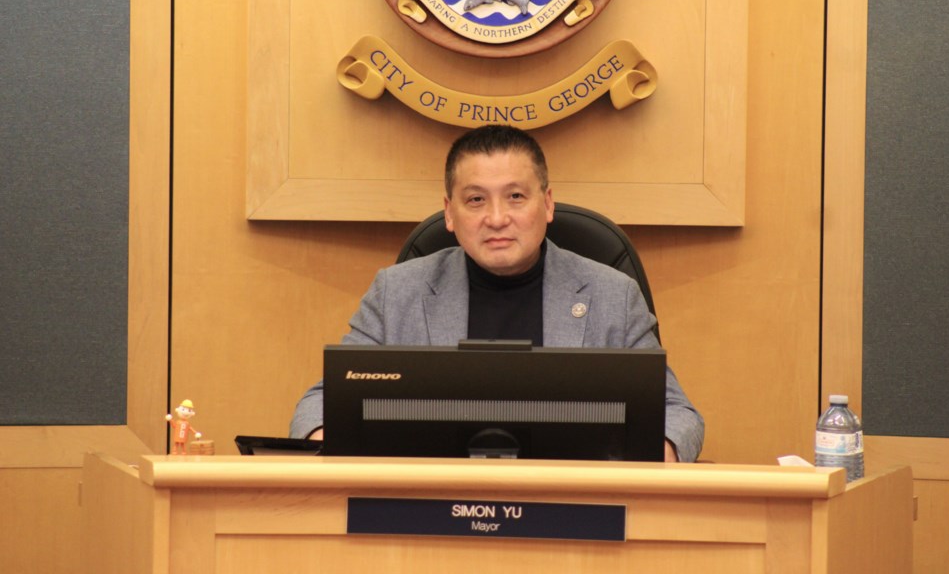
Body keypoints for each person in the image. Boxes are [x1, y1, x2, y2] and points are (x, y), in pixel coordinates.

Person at [290, 125, 704, 462]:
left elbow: (677, 415)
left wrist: (658, 457)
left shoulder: (613, 295)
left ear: (547, 204)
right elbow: (320, 403)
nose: (497, 218)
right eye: (475, 200)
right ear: (450, 212)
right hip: (428, 509)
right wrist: (330, 440)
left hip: (576, 511)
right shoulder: (397, 291)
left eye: (516, 197)